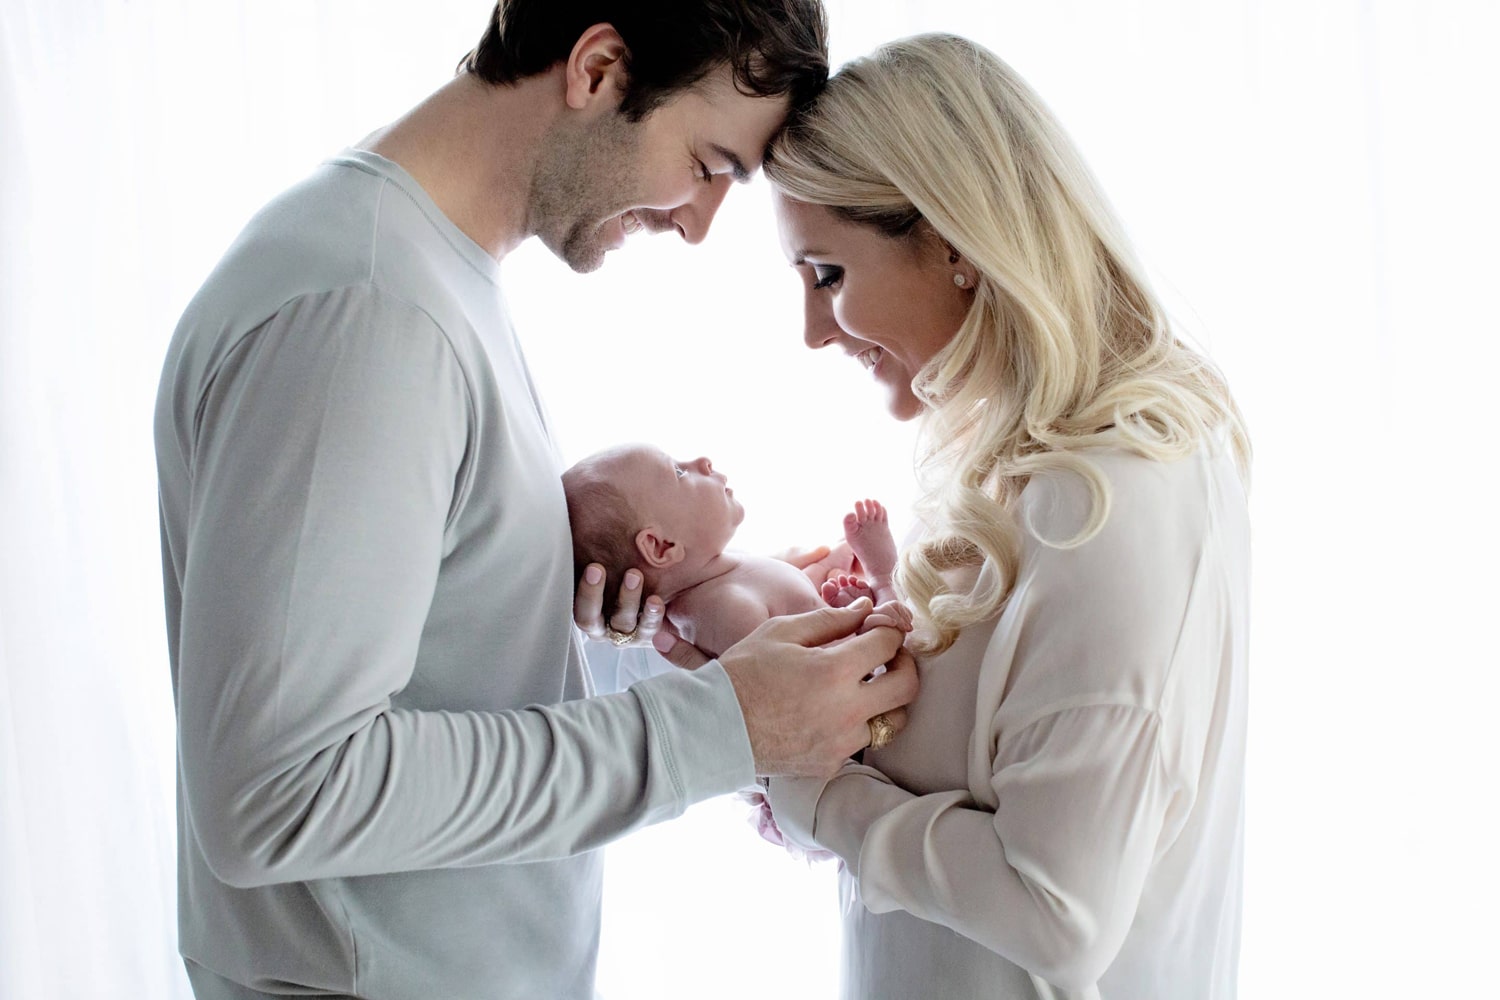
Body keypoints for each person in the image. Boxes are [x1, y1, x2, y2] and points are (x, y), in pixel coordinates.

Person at [152, 4, 918, 998]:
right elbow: (280, 794)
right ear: (600, 69)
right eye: (709, 165)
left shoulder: (416, 279)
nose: (697, 224)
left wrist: (624, 648)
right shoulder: (372, 307)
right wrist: (720, 725)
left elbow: (398, 684)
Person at [608, 32, 1251, 999]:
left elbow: (1056, 915)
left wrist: (810, 787)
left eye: (826, 275)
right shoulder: (1009, 472)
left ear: (952, 240)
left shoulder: (1114, 497)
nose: (814, 332)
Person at [563, 443, 911, 659]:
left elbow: (791, 612)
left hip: (849, 651)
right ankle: (886, 577)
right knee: (896, 597)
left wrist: (825, 585)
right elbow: (814, 684)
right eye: (679, 471)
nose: (703, 460)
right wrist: (872, 603)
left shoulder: (722, 575)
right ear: (661, 546)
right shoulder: (727, 610)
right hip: (871, 684)